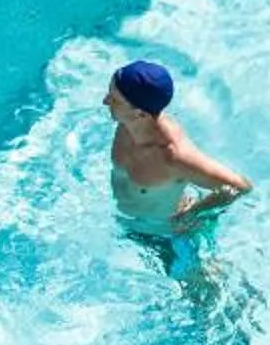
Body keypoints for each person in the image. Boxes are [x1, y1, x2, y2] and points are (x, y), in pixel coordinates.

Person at [103, 59, 253, 232]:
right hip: (128, 223)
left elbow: (239, 186)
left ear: (141, 114)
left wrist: (191, 215)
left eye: (115, 100)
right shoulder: (127, 123)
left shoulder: (173, 156)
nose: (105, 101)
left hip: (163, 234)